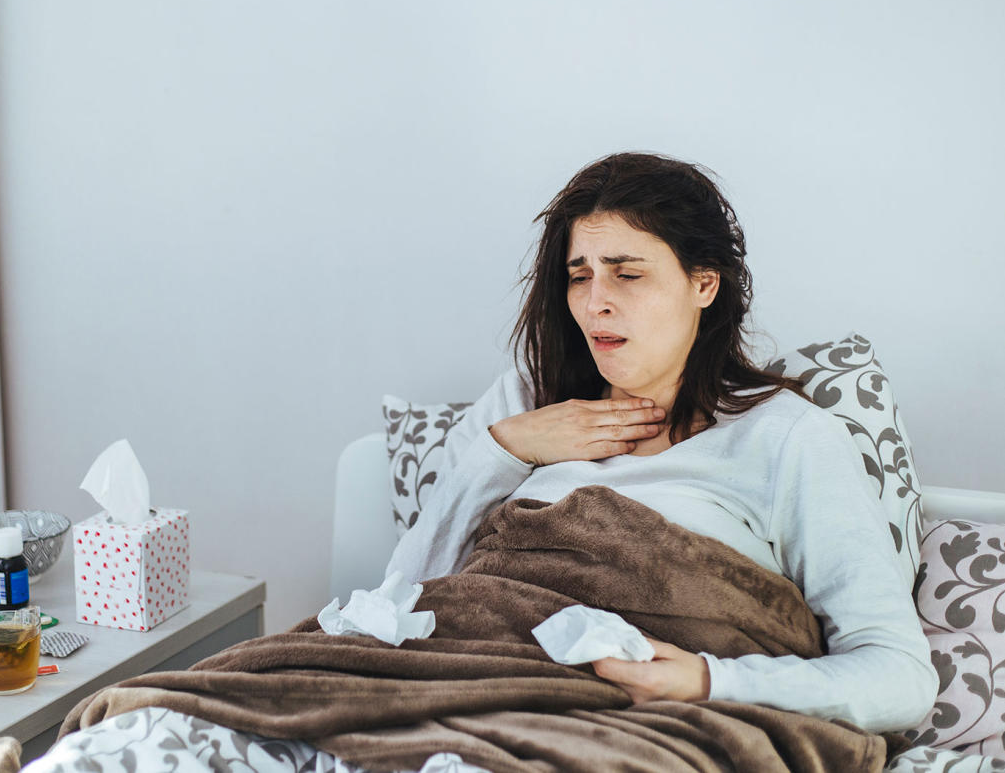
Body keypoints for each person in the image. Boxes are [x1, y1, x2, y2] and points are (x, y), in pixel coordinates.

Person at [385, 151, 937, 733]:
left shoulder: (785, 435)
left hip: (628, 724)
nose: (595, 300)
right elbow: (397, 606)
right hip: (457, 681)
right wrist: (503, 452)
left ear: (703, 282)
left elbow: (899, 677)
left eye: (627, 273)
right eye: (579, 276)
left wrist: (706, 680)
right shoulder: (519, 405)